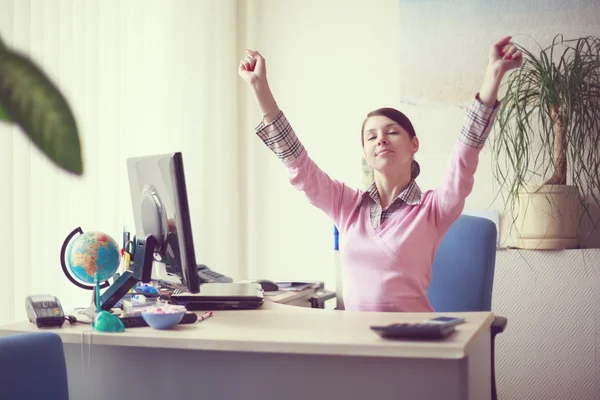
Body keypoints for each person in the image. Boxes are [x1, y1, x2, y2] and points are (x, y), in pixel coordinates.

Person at [239, 36, 523, 313]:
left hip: (414, 342)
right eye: (371, 137)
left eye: (392, 132)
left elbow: (465, 156)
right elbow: (299, 165)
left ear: (414, 144)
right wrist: (260, 88)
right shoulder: (345, 204)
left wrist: (492, 78)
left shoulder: (434, 208)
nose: (381, 140)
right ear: (366, 154)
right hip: (359, 345)